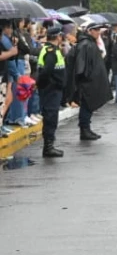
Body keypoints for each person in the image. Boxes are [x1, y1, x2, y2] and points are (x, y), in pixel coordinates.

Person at [67, 21, 112, 142]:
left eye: (99, 30)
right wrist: (86, 78)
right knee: (86, 106)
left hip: (91, 81)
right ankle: (84, 129)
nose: (98, 32)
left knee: (88, 106)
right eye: (96, 30)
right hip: (87, 82)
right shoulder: (86, 44)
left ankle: (87, 128)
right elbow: (81, 65)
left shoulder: (90, 43)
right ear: (89, 31)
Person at [35, 24, 67, 158]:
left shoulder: (53, 50)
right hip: (50, 90)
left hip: (52, 90)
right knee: (50, 118)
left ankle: (49, 145)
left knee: (51, 117)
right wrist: (49, 85)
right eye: (61, 36)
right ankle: (48, 147)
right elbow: (45, 73)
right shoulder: (50, 52)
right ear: (57, 36)